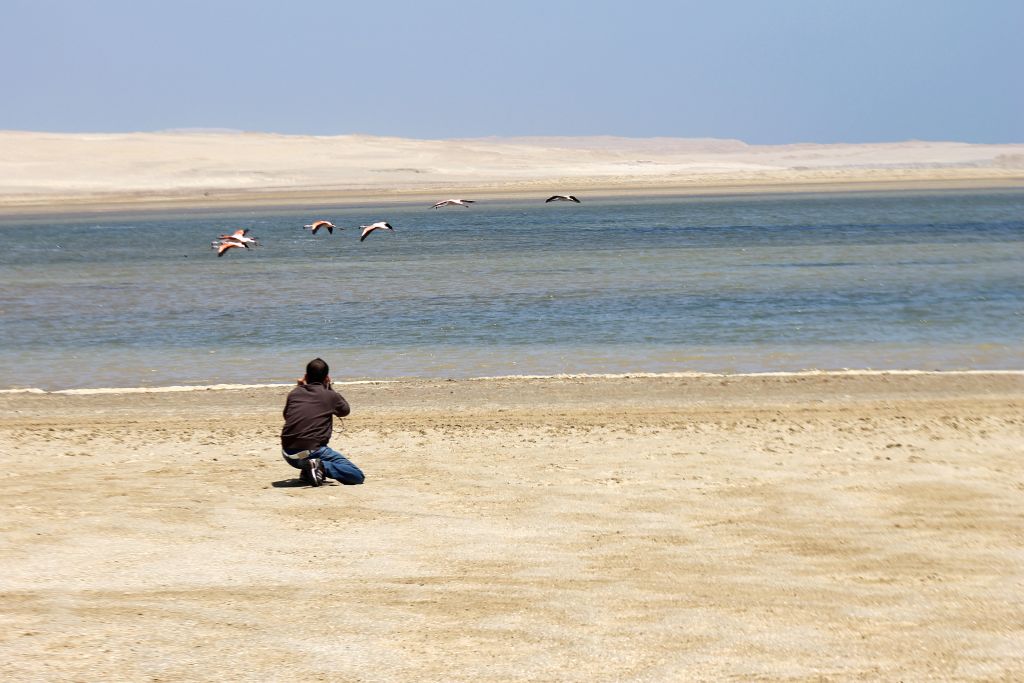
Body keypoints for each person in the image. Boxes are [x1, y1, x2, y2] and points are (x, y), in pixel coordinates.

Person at [280, 358, 365, 487]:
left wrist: (300, 387)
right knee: (356, 475)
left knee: (310, 447)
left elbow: (288, 416)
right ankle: (321, 466)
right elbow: (344, 411)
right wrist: (329, 387)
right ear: (327, 378)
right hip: (313, 451)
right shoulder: (330, 395)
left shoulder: (295, 393)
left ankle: (308, 471)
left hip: (289, 454)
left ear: (306, 377)